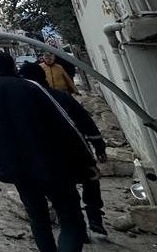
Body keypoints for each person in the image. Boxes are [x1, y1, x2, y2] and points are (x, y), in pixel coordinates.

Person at [0, 52, 96, 252]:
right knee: (70, 218)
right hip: (52, 164)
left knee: (37, 217)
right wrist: (86, 160)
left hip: (17, 167)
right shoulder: (32, 88)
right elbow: (65, 125)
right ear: (13, 66)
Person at [20, 62, 108, 240]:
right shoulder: (59, 98)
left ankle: (82, 226)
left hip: (50, 158)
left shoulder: (30, 103)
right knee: (90, 182)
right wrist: (99, 147)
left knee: (70, 193)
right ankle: (93, 218)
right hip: (75, 153)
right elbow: (86, 123)